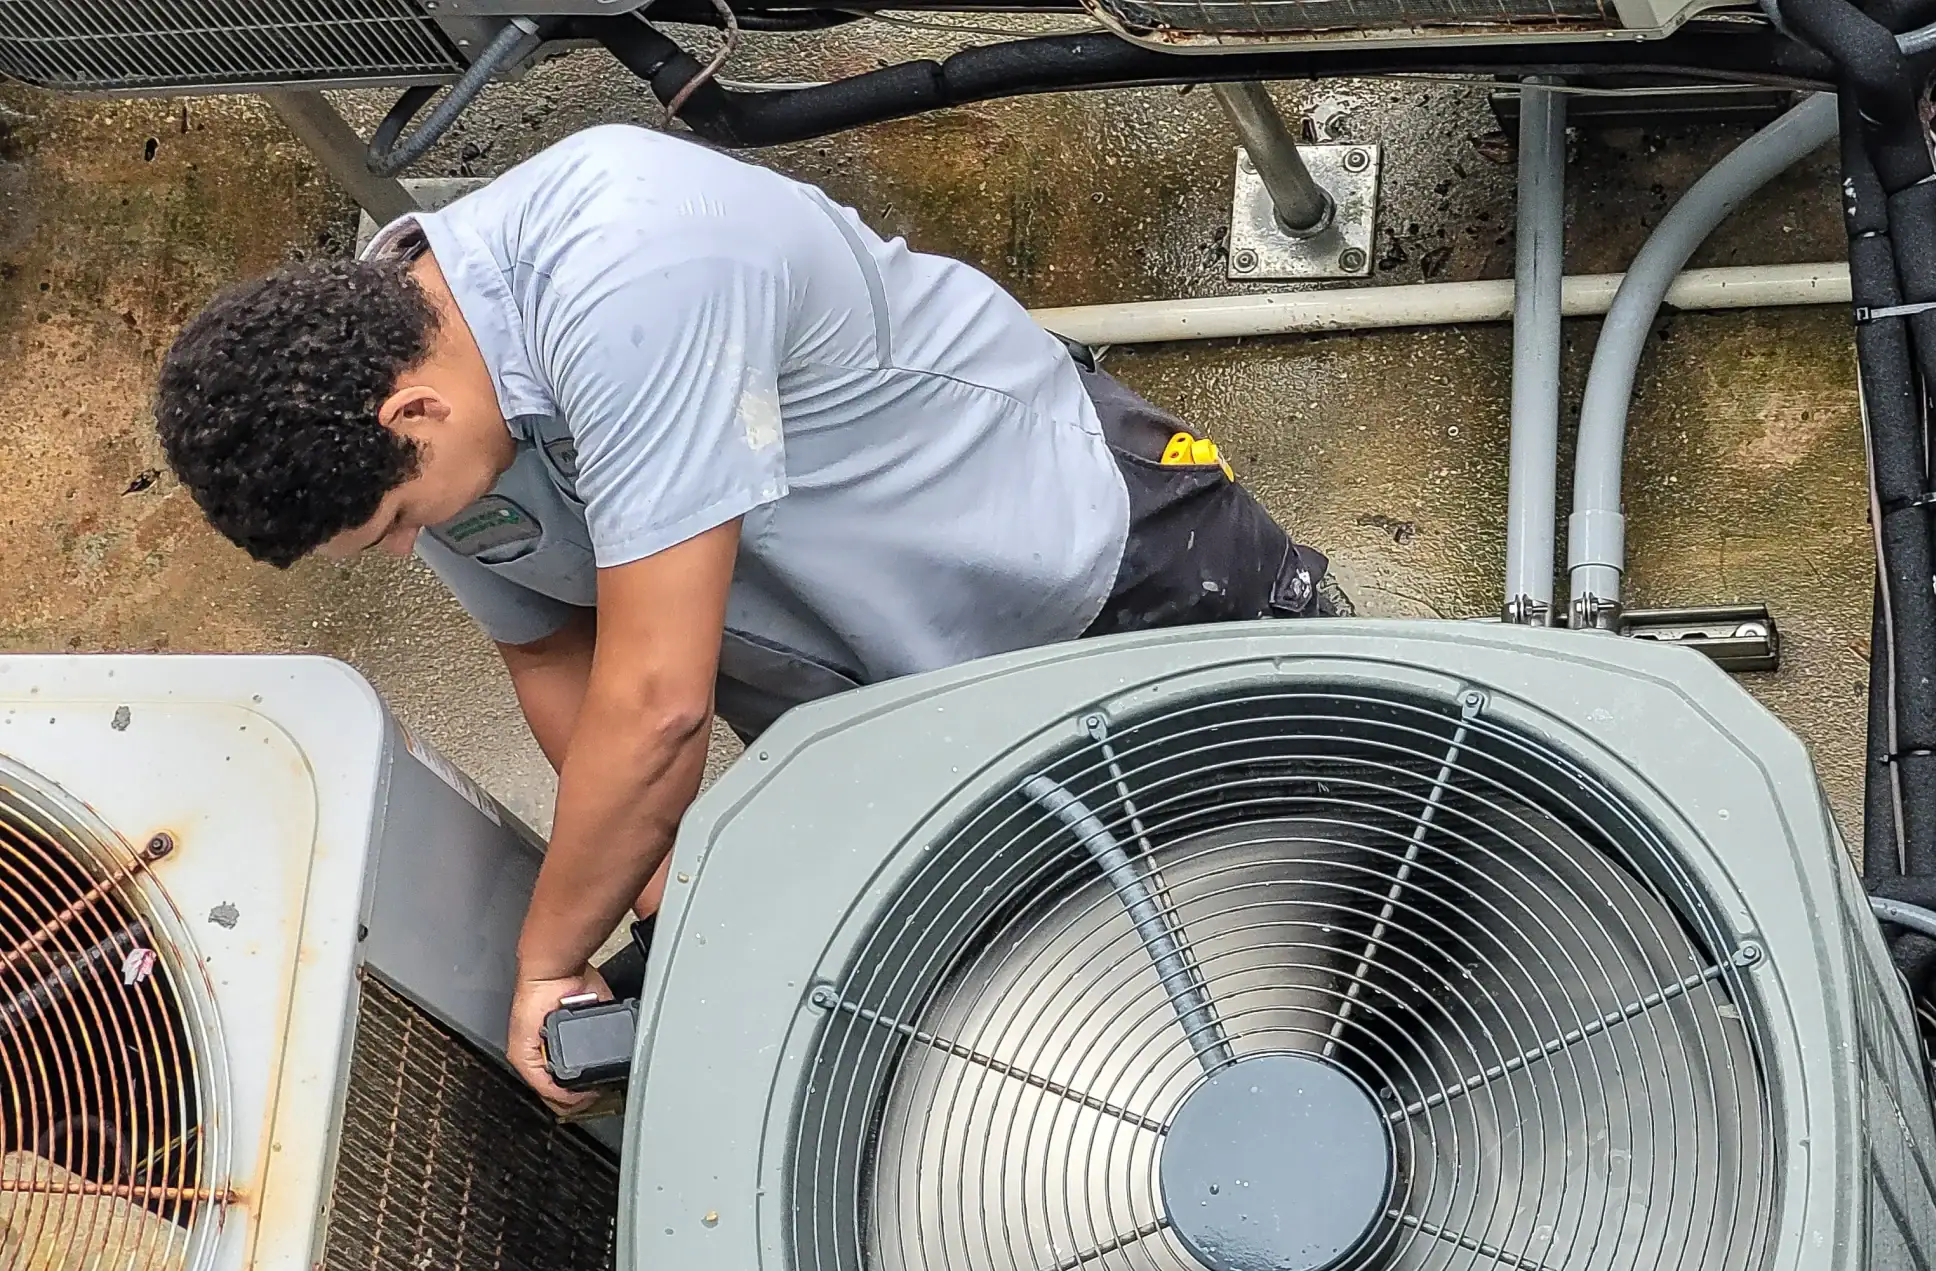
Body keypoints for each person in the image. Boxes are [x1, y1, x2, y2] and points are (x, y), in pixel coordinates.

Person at [153, 124, 1338, 1111]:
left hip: (1080, 565)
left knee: (1340, 814)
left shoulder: (631, 268)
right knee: (1093, 978)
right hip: (879, 700)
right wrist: (658, 876)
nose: (416, 548)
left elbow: (659, 707)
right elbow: (552, 649)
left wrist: (550, 956)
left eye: (399, 522)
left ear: (413, 411)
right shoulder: (409, 400)